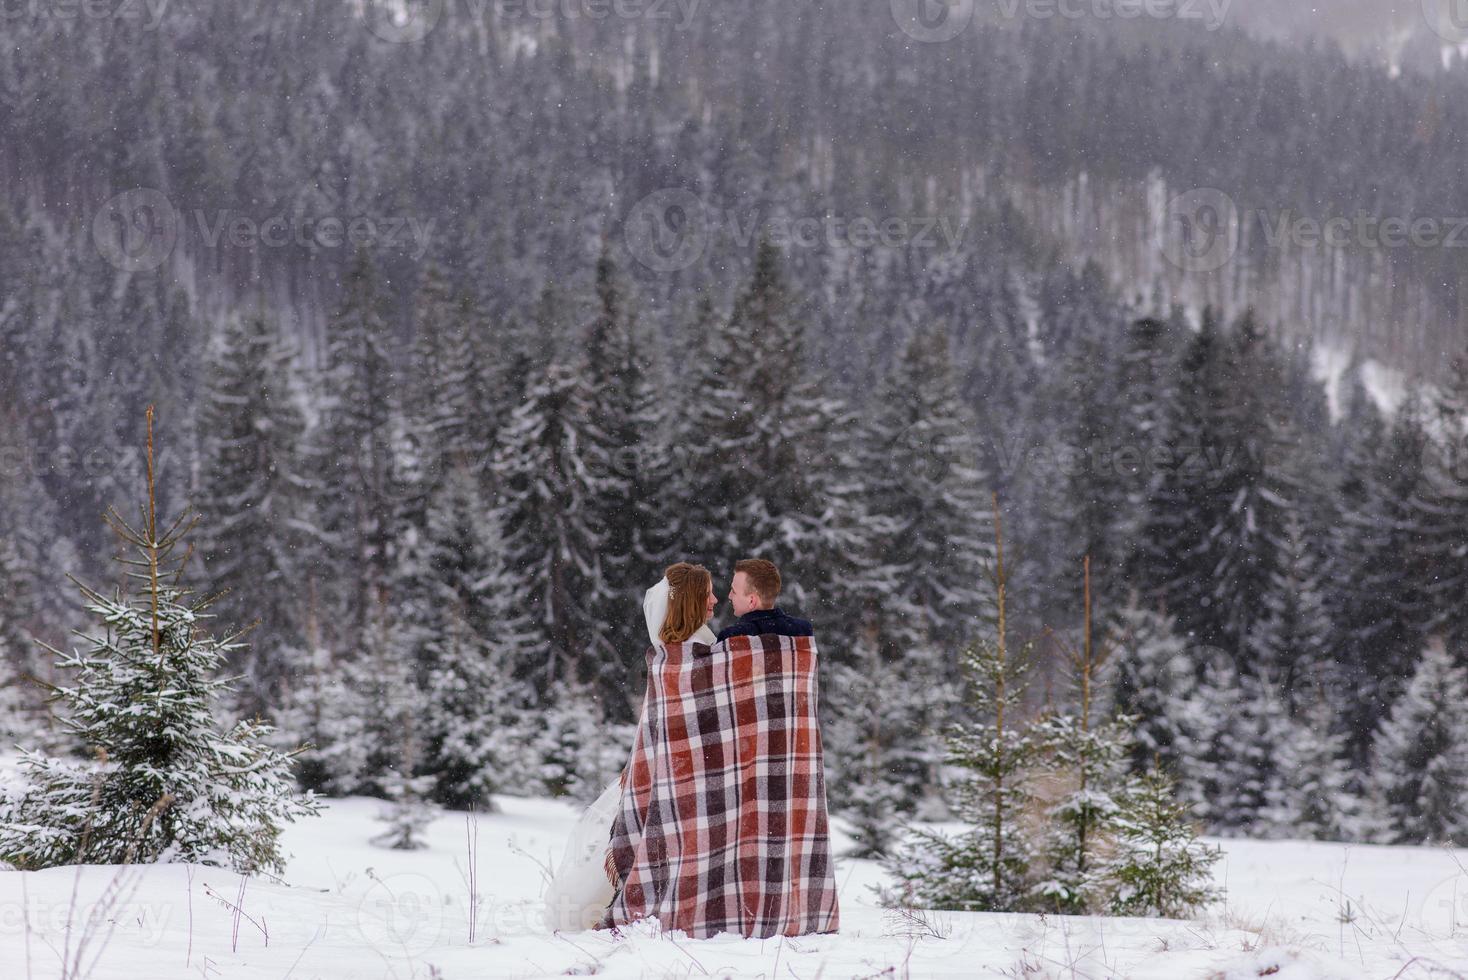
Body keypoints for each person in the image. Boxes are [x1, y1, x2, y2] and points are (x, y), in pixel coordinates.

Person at [598, 557, 840, 939]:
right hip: (708, 774)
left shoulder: (723, 646)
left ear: (753, 597)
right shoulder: (689, 657)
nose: (718, 599)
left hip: (732, 772)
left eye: (727, 590)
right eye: (711, 593)